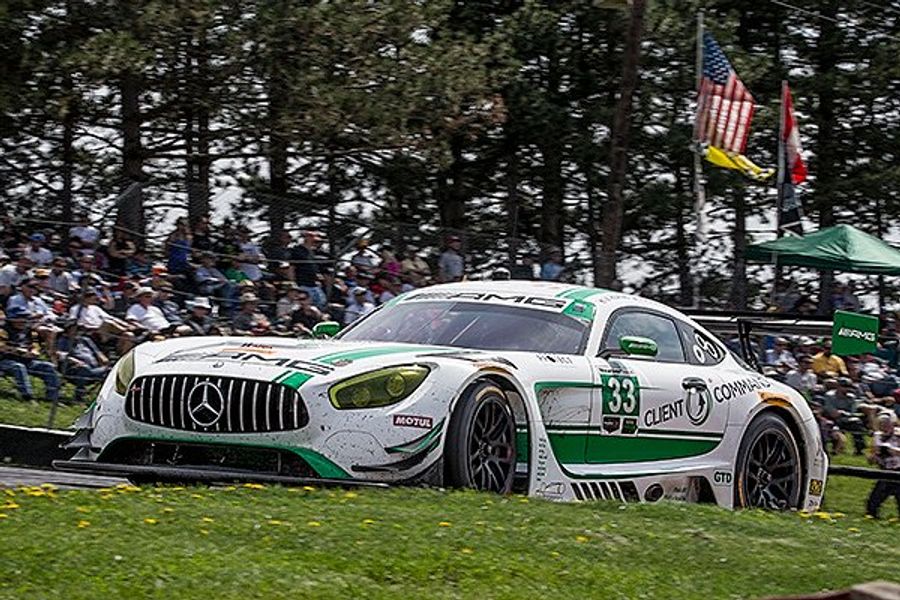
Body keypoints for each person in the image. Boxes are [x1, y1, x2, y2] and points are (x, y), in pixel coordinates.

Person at [0, 305, 60, 403]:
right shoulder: (3, 330)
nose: (23, 320)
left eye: (25, 318)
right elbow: (1, 347)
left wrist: (34, 352)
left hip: (27, 360)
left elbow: (36, 346)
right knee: (19, 367)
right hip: (5, 360)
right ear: (12, 318)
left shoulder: (30, 331)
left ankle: (52, 398)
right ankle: (28, 397)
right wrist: (18, 351)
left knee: (48, 367)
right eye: (20, 318)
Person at [58, 321, 110, 400]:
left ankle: (102, 397)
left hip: (93, 369)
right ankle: (78, 396)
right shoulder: (63, 341)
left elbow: (97, 352)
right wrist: (75, 361)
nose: (76, 332)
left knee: (110, 370)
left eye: (77, 329)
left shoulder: (85, 340)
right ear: (67, 330)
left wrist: (103, 358)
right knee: (84, 369)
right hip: (73, 370)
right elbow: (60, 355)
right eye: (73, 329)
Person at [865, 411, 900, 518]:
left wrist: (892, 450)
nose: (884, 427)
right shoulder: (877, 436)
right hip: (885, 471)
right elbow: (872, 458)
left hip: (898, 470)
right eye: (881, 424)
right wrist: (874, 456)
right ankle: (872, 517)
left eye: (886, 424)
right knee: (873, 501)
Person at [291, 230, 325, 308]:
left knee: (321, 302)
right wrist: (293, 282)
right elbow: (292, 267)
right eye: (311, 236)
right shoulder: (298, 250)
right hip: (303, 283)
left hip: (314, 283)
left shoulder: (312, 251)